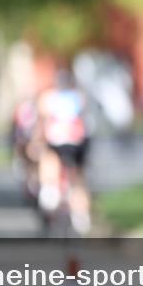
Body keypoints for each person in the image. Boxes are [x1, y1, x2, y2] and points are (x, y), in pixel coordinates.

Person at [35, 69, 92, 234]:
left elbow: (42, 124)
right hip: (77, 143)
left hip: (58, 142)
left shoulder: (49, 98)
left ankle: (50, 189)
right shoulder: (79, 97)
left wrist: (36, 141)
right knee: (78, 179)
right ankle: (81, 214)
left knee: (49, 160)